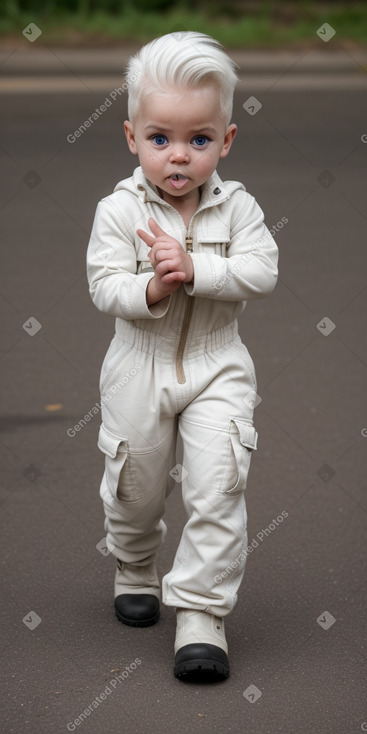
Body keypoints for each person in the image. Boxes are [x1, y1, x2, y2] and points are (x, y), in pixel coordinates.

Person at [86, 30, 278, 682]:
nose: (177, 156)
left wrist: (197, 267)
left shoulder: (240, 207)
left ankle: (200, 614)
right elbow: (102, 283)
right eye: (158, 138)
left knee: (219, 482)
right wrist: (152, 284)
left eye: (198, 140)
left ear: (224, 141)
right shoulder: (118, 210)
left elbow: (261, 270)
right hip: (137, 363)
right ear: (131, 136)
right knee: (134, 484)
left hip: (216, 363)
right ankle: (134, 563)